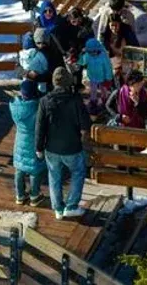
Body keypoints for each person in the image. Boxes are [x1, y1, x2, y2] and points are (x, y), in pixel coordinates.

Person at [35, 68, 91, 219]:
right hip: (72, 147)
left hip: (51, 148)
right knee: (78, 173)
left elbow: (40, 127)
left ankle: (58, 209)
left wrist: (38, 148)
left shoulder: (45, 101)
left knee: (54, 176)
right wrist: (83, 136)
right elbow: (86, 123)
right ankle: (71, 206)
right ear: (68, 83)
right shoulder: (75, 100)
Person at [10, 79, 46, 205]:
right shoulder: (36, 108)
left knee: (19, 169)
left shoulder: (14, 106)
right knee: (34, 169)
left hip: (20, 139)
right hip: (33, 141)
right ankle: (34, 196)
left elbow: (16, 98)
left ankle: (20, 195)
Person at [34, 0, 72, 73]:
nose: (48, 13)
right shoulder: (38, 24)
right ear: (42, 12)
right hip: (44, 57)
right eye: (45, 11)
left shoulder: (59, 23)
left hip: (58, 57)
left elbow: (66, 38)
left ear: (53, 11)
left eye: (50, 11)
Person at [78, 38, 113, 115]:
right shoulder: (88, 55)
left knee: (103, 90)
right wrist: (81, 54)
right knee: (93, 89)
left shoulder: (103, 56)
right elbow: (82, 62)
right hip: (92, 76)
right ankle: (93, 102)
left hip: (102, 77)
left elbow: (107, 67)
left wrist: (108, 77)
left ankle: (105, 102)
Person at [101, 13, 140, 82]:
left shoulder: (125, 35)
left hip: (124, 62)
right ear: (108, 25)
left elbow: (127, 51)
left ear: (120, 24)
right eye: (112, 25)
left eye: (116, 25)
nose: (114, 28)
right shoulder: (105, 37)